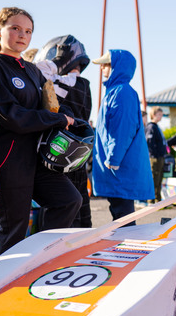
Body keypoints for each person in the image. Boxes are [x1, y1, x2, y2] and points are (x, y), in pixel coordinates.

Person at [0, 7, 81, 253]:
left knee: (69, 200)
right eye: (15, 28)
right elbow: (12, 116)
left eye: (28, 31)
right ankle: (5, 285)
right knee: (14, 229)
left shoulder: (32, 70)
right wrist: (57, 120)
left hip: (38, 157)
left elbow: (54, 106)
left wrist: (67, 115)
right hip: (9, 158)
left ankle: (42, 256)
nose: (22, 35)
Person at [34, 34, 93, 227]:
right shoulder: (83, 85)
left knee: (64, 212)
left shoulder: (68, 83)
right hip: (77, 157)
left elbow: (41, 72)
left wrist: (56, 63)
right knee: (80, 208)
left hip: (58, 153)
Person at [91, 49, 154, 224]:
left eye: (107, 64)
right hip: (119, 165)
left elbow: (123, 129)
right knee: (120, 212)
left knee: (123, 215)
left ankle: (126, 249)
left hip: (119, 166)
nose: (102, 67)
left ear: (117, 67)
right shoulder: (118, 91)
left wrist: (113, 158)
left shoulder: (121, 92)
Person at [145, 106, 167, 203]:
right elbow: (149, 143)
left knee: (159, 178)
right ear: (153, 115)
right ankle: (151, 200)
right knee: (154, 178)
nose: (161, 116)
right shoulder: (151, 127)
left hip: (160, 157)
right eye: (159, 114)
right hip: (154, 158)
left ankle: (158, 199)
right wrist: (155, 154)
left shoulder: (157, 127)